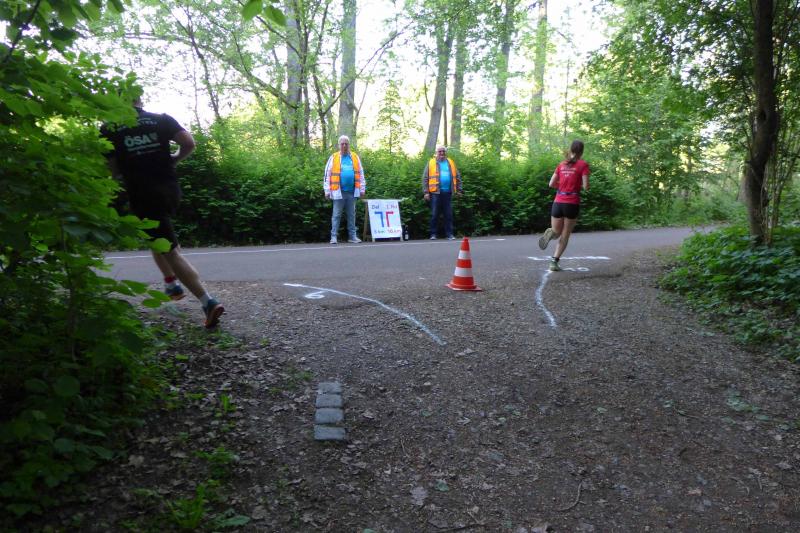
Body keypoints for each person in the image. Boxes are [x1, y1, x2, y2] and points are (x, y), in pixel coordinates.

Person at [102, 95, 225, 328]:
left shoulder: (110, 129)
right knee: (158, 236)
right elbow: (188, 143)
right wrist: (174, 159)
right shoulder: (161, 119)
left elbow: (112, 169)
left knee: (170, 250)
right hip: (170, 190)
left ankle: (208, 302)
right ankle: (171, 283)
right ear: (139, 100)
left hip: (142, 194)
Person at [538, 140, 590, 271]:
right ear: (581, 152)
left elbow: (551, 184)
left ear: (570, 149)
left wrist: (562, 186)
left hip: (558, 202)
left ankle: (551, 233)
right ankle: (554, 262)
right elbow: (586, 187)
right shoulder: (583, 165)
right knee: (565, 235)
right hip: (572, 203)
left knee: (556, 232)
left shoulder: (561, 164)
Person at [324, 135, 366, 244]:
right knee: (336, 215)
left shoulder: (355, 157)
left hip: (352, 191)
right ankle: (333, 237)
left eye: (346, 144)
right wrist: (327, 190)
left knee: (352, 215)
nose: (344, 146)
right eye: (342, 144)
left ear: (349, 145)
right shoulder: (334, 157)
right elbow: (327, 174)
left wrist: (362, 188)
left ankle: (352, 236)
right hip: (338, 191)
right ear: (339, 145)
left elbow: (361, 173)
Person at [422, 145, 462, 240]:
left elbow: (457, 177)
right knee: (434, 214)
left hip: (448, 192)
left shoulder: (450, 162)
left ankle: (449, 234)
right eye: (440, 151)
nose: (442, 153)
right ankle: (433, 234)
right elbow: (425, 178)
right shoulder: (431, 162)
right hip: (435, 193)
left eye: (443, 151)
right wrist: (426, 192)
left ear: (445, 152)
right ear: (436, 152)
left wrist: (459, 190)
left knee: (448, 214)